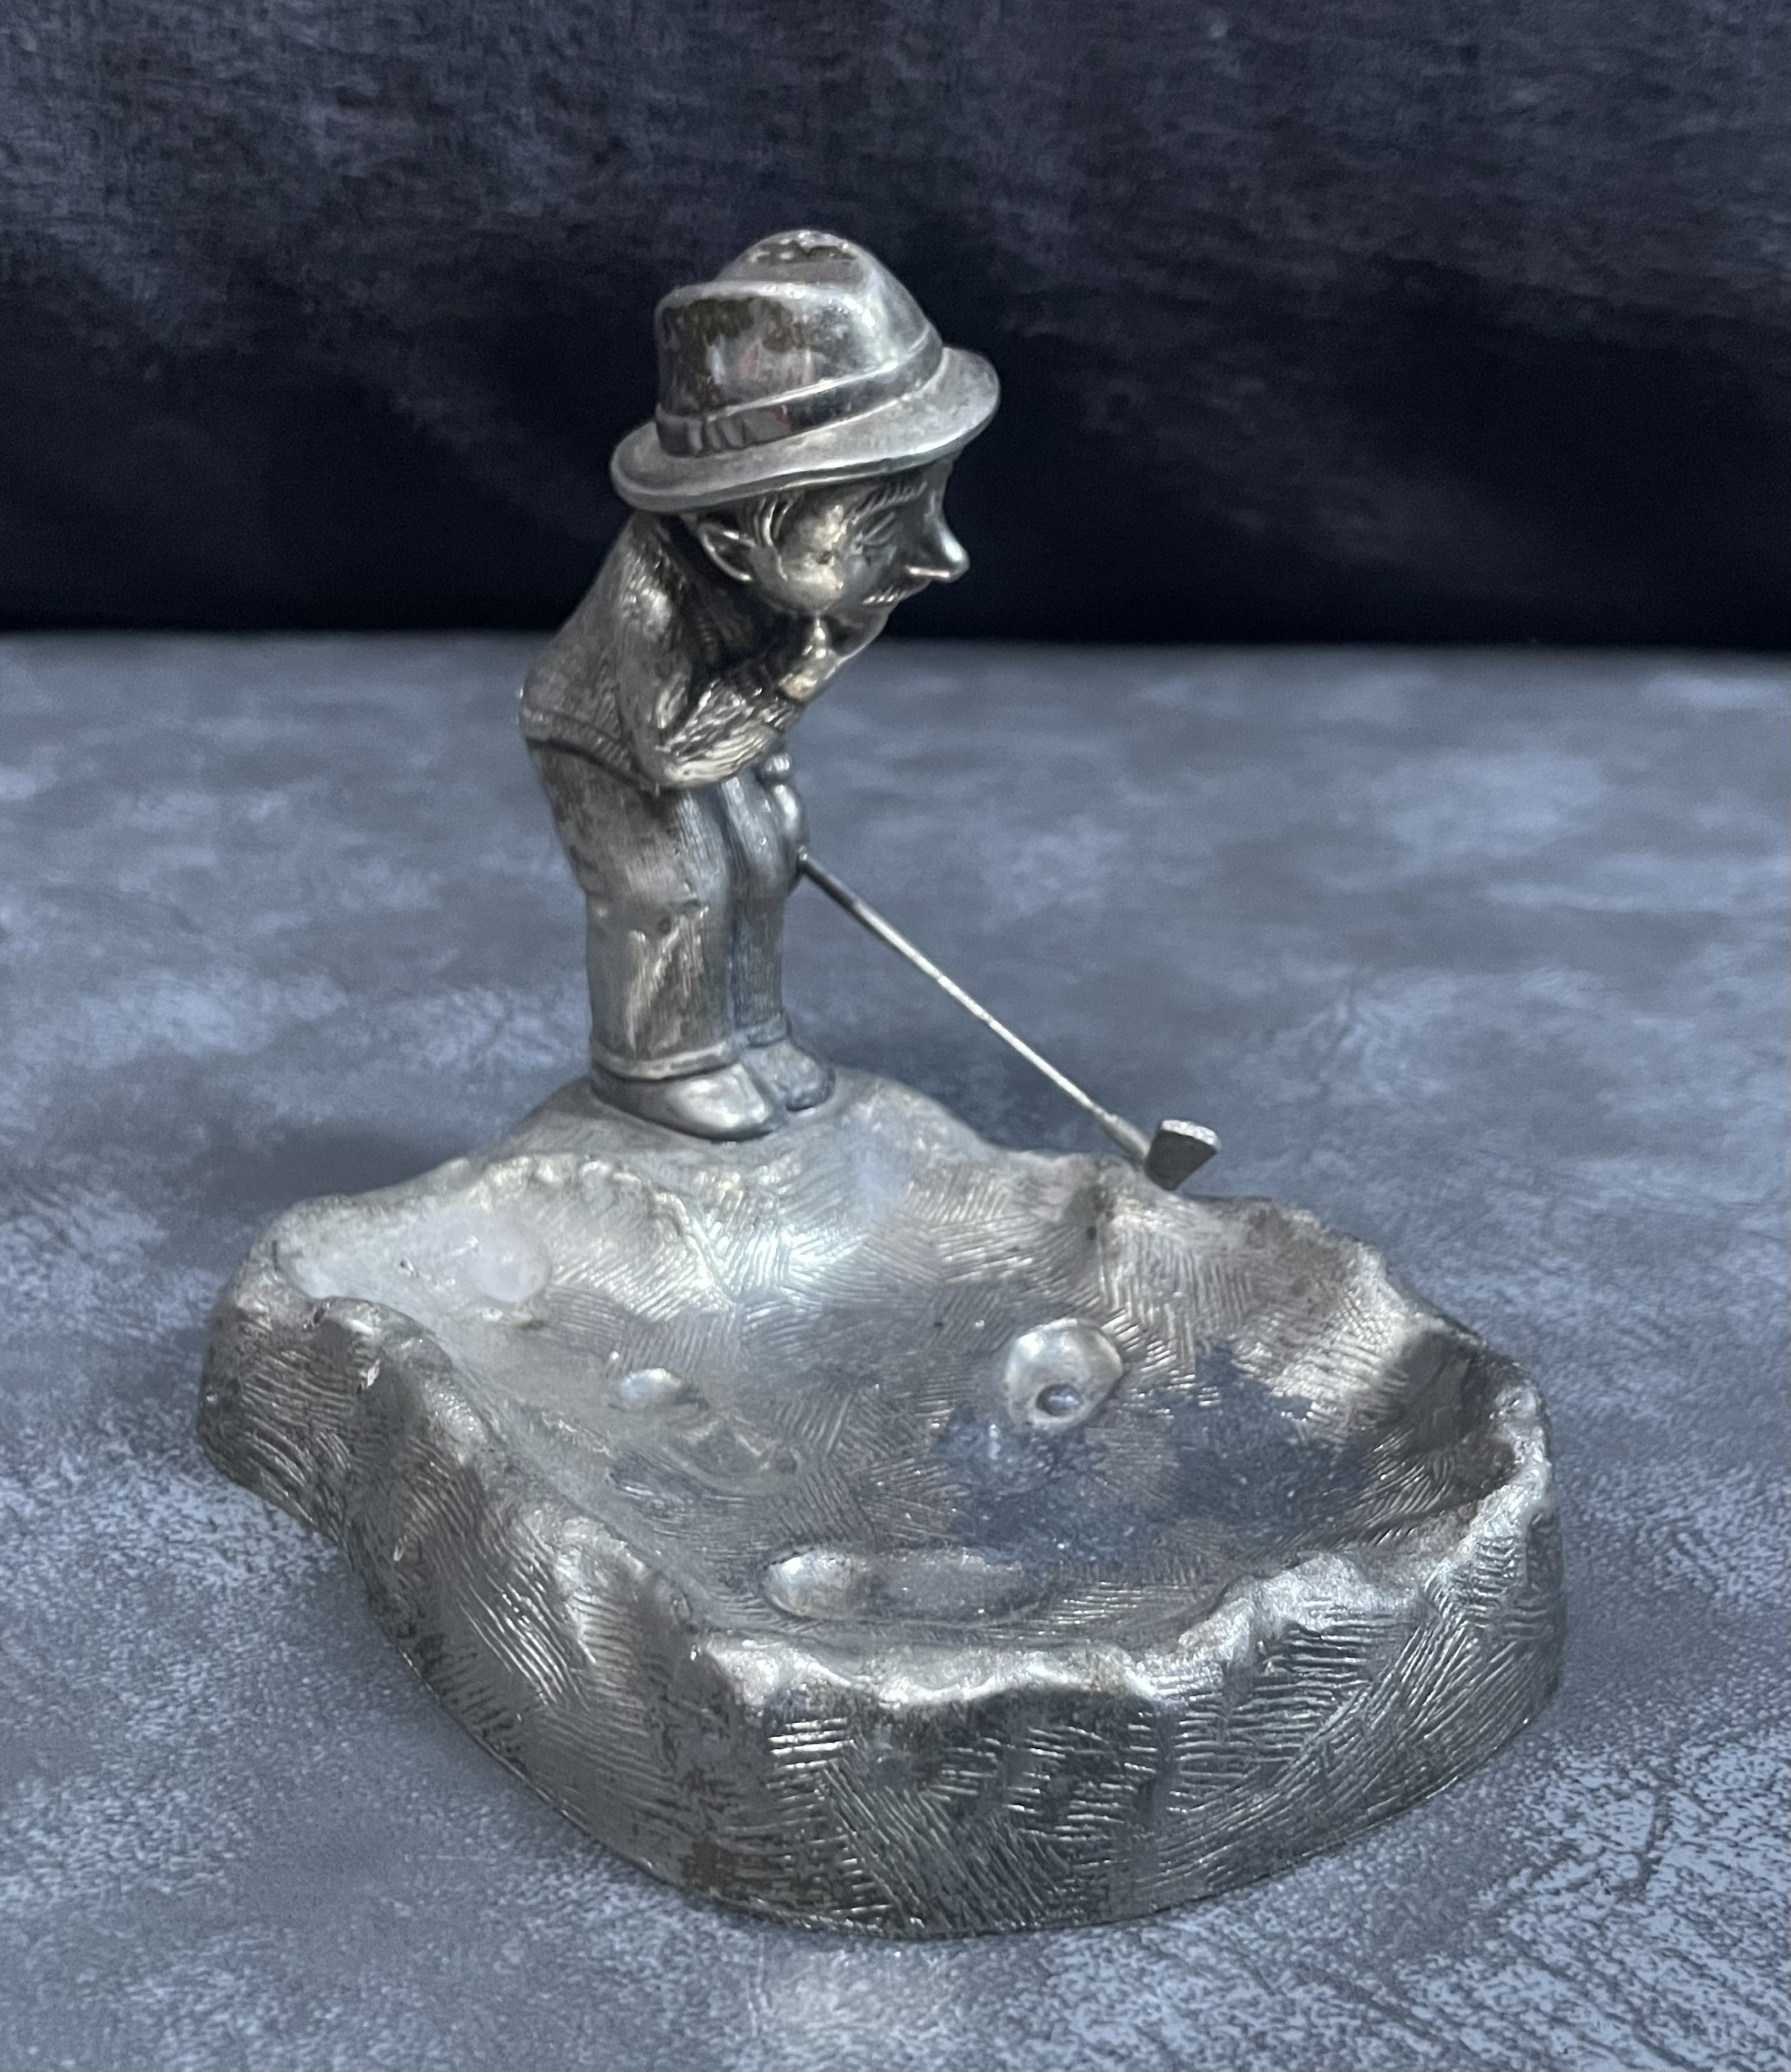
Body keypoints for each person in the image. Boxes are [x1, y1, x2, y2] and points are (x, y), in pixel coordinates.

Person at [521, 230, 998, 1138]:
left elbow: (743, 707)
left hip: (710, 728)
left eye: (931, 503)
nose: (944, 557)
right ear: (734, 539)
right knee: (678, 885)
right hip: (605, 737)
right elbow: (672, 750)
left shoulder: (763, 576)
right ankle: (661, 1065)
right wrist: (801, 673)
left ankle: (749, 1033)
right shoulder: (652, 598)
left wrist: (770, 772)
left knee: (766, 856)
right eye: (883, 526)